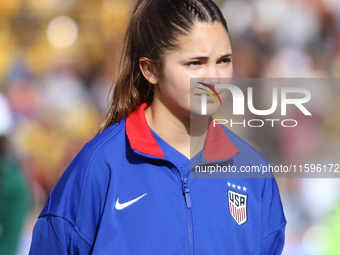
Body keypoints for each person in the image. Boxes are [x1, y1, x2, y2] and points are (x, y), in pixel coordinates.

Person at [29, 0, 286, 254]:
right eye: (195, 63)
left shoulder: (254, 173)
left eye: (224, 60)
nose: (214, 78)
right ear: (150, 69)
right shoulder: (100, 166)